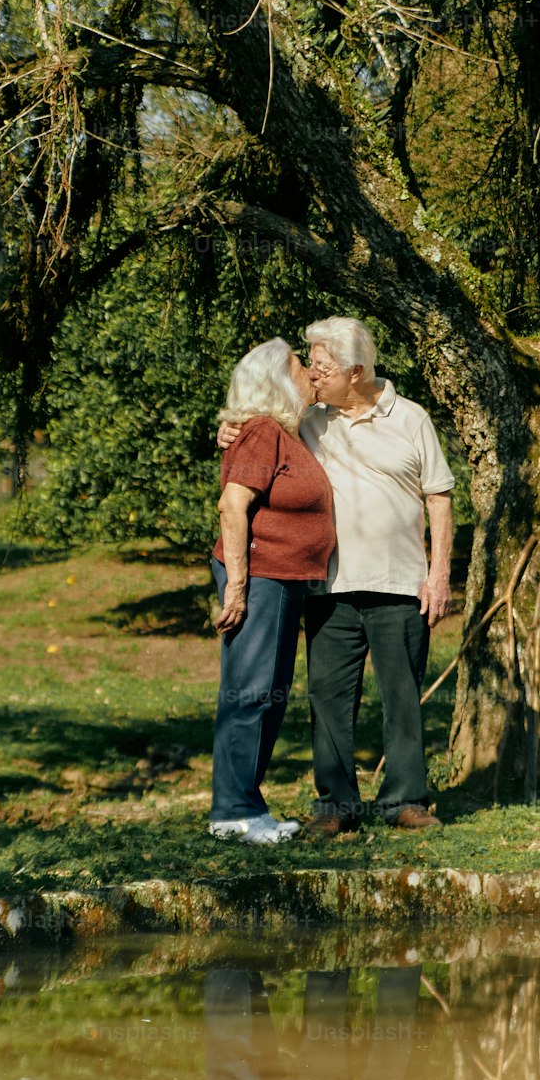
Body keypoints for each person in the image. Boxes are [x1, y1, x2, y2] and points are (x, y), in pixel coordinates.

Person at [221, 317, 454, 835]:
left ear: (355, 370)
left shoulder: (412, 418)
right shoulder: (309, 419)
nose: (314, 376)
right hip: (329, 585)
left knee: (401, 696)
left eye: (323, 368)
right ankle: (335, 806)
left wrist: (438, 575)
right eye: (312, 367)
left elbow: (439, 498)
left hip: (400, 583)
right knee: (327, 698)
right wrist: (228, 428)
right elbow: (257, 433)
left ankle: (406, 801)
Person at [209, 338, 336, 845]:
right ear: (279, 380)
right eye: (300, 364)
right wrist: (237, 587)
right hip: (260, 577)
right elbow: (231, 506)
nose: (309, 370)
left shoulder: (282, 432)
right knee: (251, 690)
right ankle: (233, 811)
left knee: (268, 693)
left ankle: (246, 806)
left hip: (282, 582)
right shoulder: (263, 432)